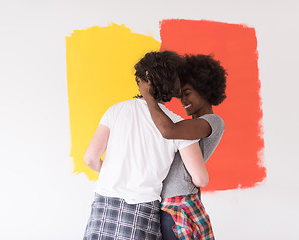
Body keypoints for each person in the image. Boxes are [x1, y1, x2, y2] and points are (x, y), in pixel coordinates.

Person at [83, 51, 209, 240]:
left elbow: (90, 158)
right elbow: (200, 179)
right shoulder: (178, 125)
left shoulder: (116, 111)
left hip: (103, 204)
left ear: (142, 78)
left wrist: (115, 174)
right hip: (142, 210)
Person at [139, 54, 227, 240]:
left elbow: (168, 130)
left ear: (205, 90)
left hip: (179, 203)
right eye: (180, 96)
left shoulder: (213, 121)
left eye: (187, 93)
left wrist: (148, 96)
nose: (183, 100)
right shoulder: (190, 125)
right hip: (171, 202)